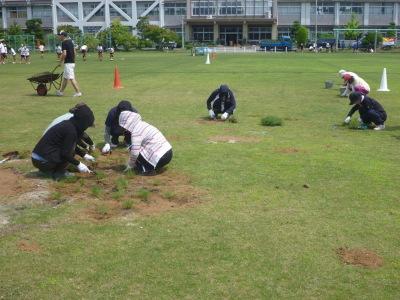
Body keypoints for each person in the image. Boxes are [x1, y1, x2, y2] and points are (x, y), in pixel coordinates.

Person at [31, 104, 95, 180]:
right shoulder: (71, 131)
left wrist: (84, 155)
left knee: (70, 149)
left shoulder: (68, 124)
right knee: (69, 152)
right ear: (82, 122)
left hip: (38, 158)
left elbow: (67, 145)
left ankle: (48, 170)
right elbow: (65, 153)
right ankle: (59, 173)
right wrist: (79, 164)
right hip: (43, 161)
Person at [119, 111, 173, 176]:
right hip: (168, 153)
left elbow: (135, 153)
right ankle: (153, 166)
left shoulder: (136, 132)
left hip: (161, 157)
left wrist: (130, 165)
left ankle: (148, 170)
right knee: (136, 148)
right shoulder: (142, 124)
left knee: (132, 147)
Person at [56, 31, 82, 97]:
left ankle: (78, 92)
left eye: (59, 35)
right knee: (65, 78)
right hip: (72, 62)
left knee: (71, 78)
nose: (59, 37)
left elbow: (64, 54)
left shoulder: (64, 43)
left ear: (63, 36)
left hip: (68, 63)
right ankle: (61, 92)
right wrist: (74, 60)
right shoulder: (70, 42)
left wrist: (60, 62)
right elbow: (74, 52)